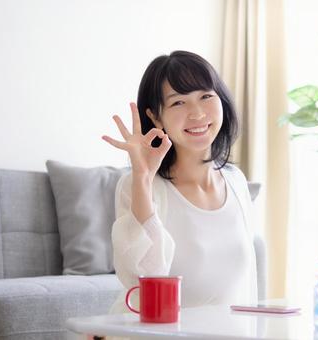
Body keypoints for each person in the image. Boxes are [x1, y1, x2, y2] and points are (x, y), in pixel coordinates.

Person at [102, 50, 257, 314]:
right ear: (155, 117)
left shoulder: (236, 181)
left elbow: (247, 287)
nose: (197, 113)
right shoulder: (138, 185)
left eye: (206, 96)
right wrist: (142, 177)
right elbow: (142, 281)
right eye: (178, 103)